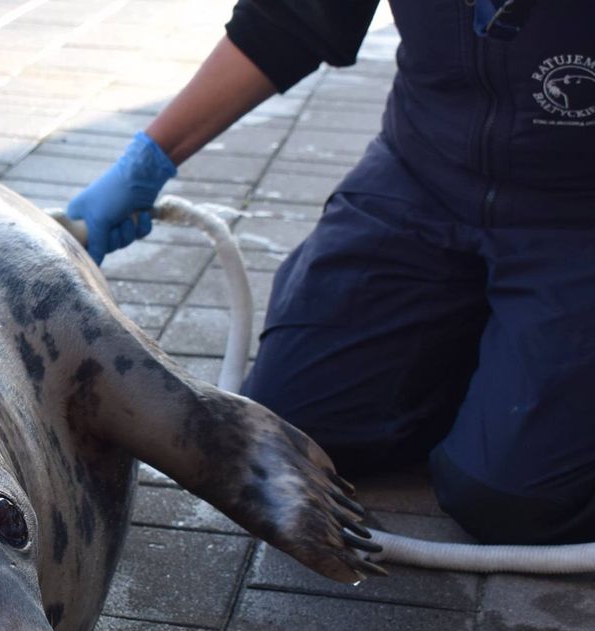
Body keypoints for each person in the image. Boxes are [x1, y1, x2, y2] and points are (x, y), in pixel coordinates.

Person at [66, 0, 595, 546]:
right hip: (426, 176)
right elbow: (286, 20)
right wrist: (149, 159)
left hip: (578, 216)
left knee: (512, 499)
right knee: (292, 434)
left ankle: (531, 374)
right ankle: (503, 355)